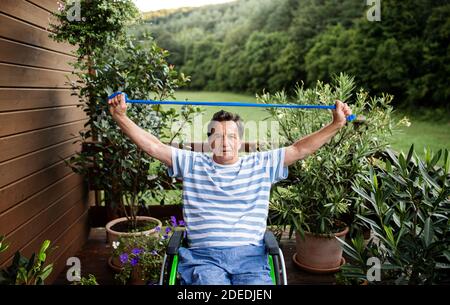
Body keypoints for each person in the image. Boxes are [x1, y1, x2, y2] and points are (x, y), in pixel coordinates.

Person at [108, 93, 352, 285]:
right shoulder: (192, 163)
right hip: (204, 259)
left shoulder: (261, 164)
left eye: (231, 136)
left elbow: (300, 149)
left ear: (240, 140)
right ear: (209, 140)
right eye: (218, 136)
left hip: (251, 259)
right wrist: (121, 117)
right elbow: (153, 146)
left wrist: (336, 124)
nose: (225, 142)